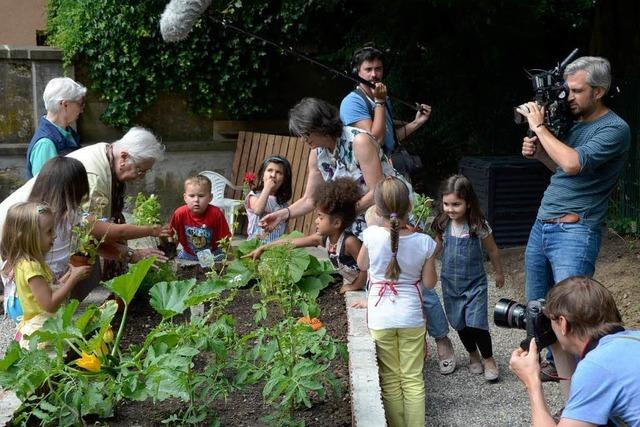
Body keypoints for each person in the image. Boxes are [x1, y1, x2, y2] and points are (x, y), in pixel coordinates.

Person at [260, 97, 455, 373]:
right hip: (358, 218)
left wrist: (345, 214)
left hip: (390, 211)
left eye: (306, 133)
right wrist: (283, 214)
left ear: (321, 127)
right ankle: (396, 344)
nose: (304, 140)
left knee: (413, 278)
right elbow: (310, 198)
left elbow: (377, 191)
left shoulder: (360, 141)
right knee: (377, 274)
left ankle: (441, 338)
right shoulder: (317, 153)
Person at [516, 56, 630, 392]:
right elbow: (561, 168)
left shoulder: (614, 128)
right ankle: (572, 402)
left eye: (577, 91)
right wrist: (538, 154)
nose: (569, 97)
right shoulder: (574, 124)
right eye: (567, 89)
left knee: (578, 323)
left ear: (600, 91)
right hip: (543, 227)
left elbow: (573, 163)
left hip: (575, 232)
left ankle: (598, 397)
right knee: (544, 318)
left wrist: (539, 128)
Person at [1, 127, 170, 299]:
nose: (140, 177)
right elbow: (99, 236)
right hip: (21, 250)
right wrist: (150, 233)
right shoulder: (92, 181)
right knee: (85, 265)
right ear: (124, 157)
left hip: (23, 258)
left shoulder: (108, 151)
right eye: (140, 170)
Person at [357, 177, 437, 427]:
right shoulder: (425, 242)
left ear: (377, 210)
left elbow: (361, 265)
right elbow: (430, 283)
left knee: (390, 380)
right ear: (410, 207)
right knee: (413, 379)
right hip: (411, 316)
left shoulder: (370, 235)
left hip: (381, 318)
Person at [509, 276, 640, 426]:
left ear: (562, 323)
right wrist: (557, 347)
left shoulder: (597, 366)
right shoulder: (632, 338)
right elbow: (578, 410)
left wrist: (532, 381)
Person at [431, 175, 505, 381]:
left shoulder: (477, 225)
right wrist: (426, 265)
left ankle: (488, 358)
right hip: (450, 284)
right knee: (460, 323)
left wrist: (499, 272)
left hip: (475, 284)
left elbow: (492, 250)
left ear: (468, 202)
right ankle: (473, 355)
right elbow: (435, 249)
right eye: (446, 204)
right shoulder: (442, 224)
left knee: (476, 323)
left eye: (456, 204)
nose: (450, 209)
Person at [248, 177, 366, 293]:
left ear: (336, 223)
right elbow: (290, 243)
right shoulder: (324, 239)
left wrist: (355, 286)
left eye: (320, 217)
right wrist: (263, 248)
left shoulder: (349, 242)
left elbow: (366, 268)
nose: (316, 221)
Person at [0, 202, 92, 348]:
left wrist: (69, 275)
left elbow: (47, 289)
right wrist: (73, 279)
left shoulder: (27, 262)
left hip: (44, 327)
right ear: (29, 236)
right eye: (49, 232)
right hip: (43, 332)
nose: (55, 236)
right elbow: (48, 304)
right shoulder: (31, 267)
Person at [339, 44, 431, 156]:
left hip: (390, 165)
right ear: (356, 72)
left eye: (378, 69)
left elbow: (389, 140)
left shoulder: (383, 98)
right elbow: (376, 141)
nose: (374, 74)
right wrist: (379, 102)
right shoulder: (352, 103)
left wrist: (417, 122)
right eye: (368, 69)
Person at [26, 77, 87, 178]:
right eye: (80, 104)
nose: (81, 110)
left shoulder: (66, 132)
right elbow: (46, 190)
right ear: (65, 105)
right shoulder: (45, 144)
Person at [170, 175, 231, 261]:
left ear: (210, 198)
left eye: (201, 196)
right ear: (185, 198)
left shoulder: (216, 214)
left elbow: (225, 239)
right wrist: (171, 255)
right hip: (188, 255)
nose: (196, 200)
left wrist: (231, 259)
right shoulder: (179, 214)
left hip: (213, 255)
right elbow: (173, 236)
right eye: (192, 196)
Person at [245, 155, 292, 243]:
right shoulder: (254, 196)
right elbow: (258, 210)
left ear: (284, 180)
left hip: (275, 249)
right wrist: (267, 188)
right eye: (270, 170)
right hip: (255, 246)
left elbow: (285, 228)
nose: (273, 175)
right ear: (263, 175)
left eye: (279, 172)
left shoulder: (283, 204)